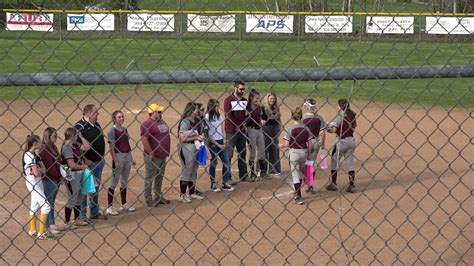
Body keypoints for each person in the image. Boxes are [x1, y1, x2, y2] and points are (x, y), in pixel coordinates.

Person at [75, 104, 107, 220]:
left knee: (95, 188)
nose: (98, 114)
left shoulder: (96, 124)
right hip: (88, 163)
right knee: (85, 189)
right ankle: (82, 215)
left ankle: (94, 212)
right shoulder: (79, 127)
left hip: (99, 161)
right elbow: (76, 146)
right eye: (96, 112)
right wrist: (85, 160)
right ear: (89, 113)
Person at [23, 134, 54, 240]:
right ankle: (41, 232)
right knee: (46, 206)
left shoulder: (36, 155)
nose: (41, 143)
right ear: (35, 144)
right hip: (32, 182)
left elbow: (43, 170)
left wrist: (38, 170)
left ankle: (32, 230)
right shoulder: (28, 155)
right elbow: (37, 172)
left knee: (35, 206)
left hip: (37, 181)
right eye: (39, 141)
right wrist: (38, 170)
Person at [106, 110, 137, 216]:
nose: (122, 118)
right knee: (114, 182)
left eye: (122, 116)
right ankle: (109, 207)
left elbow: (127, 145)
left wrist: (131, 158)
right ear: (114, 119)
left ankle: (124, 203)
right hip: (118, 156)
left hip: (126, 156)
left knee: (124, 181)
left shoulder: (124, 129)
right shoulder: (112, 131)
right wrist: (115, 160)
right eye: (119, 117)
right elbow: (111, 147)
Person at [279, 108, 312, 205]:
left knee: (295, 175)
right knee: (301, 173)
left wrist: (280, 145)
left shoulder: (290, 129)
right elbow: (309, 143)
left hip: (294, 154)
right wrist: (308, 154)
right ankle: (298, 193)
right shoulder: (306, 128)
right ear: (301, 116)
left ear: (292, 116)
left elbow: (286, 144)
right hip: (304, 153)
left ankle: (298, 196)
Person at [140, 104, 171, 207]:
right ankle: (148, 199)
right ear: (153, 113)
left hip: (162, 155)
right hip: (153, 156)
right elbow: (144, 139)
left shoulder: (161, 121)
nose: (161, 113)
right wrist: (151, 152)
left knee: (159, 177)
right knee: (150, 177)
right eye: (159, 112)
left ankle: (158, 197)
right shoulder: (147, 124)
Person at [326, 99, 357, 193]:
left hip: (341, 142)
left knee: (334, 162)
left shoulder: (340, 116)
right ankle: (352, 185)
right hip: (351, 141)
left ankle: (334, 184)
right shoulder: (352, 116)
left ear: (340, 106)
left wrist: (327, 129)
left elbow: (334, 130)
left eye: (337, 105)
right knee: (350, 164)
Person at [177, 102, 206, 203]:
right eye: (196, 109)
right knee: (187, 170)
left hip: (196, 147)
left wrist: (201, 137)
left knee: (194, 170)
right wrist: (196, 137)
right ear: (191, 111)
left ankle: (192, 192)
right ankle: (182, 194)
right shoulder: (185, 122)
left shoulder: (197, 120)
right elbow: (183, 138)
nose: (198, 111)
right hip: (186, 147)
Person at [204, 99, 234, 192]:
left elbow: (221, 128)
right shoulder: (207, 117)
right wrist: (216, 144)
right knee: (214, 162)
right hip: (212, 143)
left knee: (226, 161)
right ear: (211, 107)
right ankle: (213, 183)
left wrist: (224, 140)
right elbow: (207, 134)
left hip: (221, 141)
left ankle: (225, 182)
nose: (218, 108)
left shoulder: (218, 116)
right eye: (216, 106)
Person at [39, 127, 65, 235]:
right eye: (54, 136)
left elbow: (58, 162)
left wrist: (62, 175)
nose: (56, 137)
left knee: (51, 202)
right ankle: (47, 226)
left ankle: (51, 223)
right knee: (48, 203)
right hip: (49, 180)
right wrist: (58, 175)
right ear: (48, 137)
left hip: (56, 178)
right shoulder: (44, 150)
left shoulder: (53, 147)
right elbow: (49, 167)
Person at [61, 127, 89, 228]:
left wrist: (81, 137)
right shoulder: (67, 148)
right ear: (72, 136)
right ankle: (67, 222)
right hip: (72, 176)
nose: (77, 137)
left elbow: (87, 147)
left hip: (79, 174)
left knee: (79, 198)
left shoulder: (74, 145)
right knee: (73, 198)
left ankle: (76, 219)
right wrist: (84, 166)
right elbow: (72, 165)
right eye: (76, 135)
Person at [224, 81, 249, 183]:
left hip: (242, 131)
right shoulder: (228, 100)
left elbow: (248, 114)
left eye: (243, 89)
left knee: (242, 153)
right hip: (231, 131)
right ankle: (227, 177)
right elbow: (228, 116)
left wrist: (244, 123)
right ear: (235, 88)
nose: (242, 91)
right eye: (240, 89)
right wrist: (237, 126)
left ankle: (243, 175)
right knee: (229, 154)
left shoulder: (244, 100)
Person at [301, 98, 326, 193]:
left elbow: (301, 132)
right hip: (316, 142)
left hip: (306, 143)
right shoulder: (319, 118)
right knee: (311, 163)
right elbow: (322, 132)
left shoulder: (303, 118)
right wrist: (323, 143)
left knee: (304, 163)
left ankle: (306, 182)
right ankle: (310, 184)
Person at [246, 89, 268, 180]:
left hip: (259, 130)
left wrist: (263, 121)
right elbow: (246, 121)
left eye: (258, 98)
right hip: (251, 130)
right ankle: (252, 173)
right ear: (251, 98)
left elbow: (264, 117)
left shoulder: (259, 107)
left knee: (262, 150)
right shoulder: (247, 108)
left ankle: (262, 172)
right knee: (252, 152)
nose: (257, 100)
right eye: (256, 98)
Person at [261, 91, 282, 177]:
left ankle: (274, 170)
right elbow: (259, 119)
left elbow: (279, 120)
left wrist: (280, 129)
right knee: (264, 151)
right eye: (270, 98)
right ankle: (262, 170)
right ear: (267, 99)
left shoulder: (276, 108)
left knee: (274, 151)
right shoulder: (262, 108)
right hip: (265, 130)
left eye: (273, 99)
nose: (272, 100)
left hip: (274, 131)